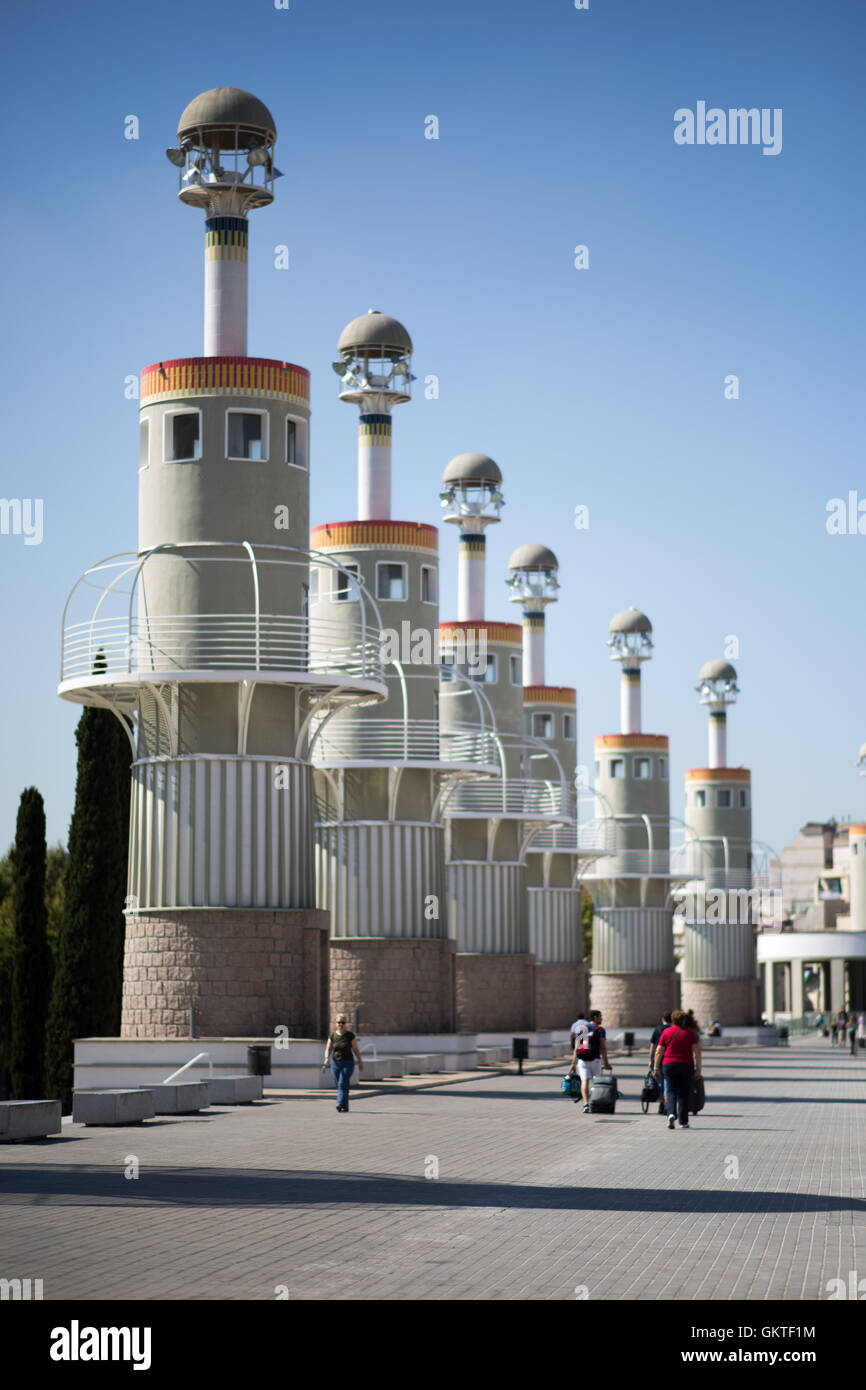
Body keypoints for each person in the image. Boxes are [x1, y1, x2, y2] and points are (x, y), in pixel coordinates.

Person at [653, 1008, 702, 1130]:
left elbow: (658, 1051)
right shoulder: (690, 1033)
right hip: (686, 1065)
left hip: (669, 1065)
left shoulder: (667, 1032)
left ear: (673, 1020)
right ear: (683, 1021)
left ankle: (671, 1114)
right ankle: (683, 1121)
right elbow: (697, 1052)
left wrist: (656, 1067)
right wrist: (698, 1069)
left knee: (670, 1090)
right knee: (684, 1093)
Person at [571, 1008, 611, 1113]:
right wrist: (606, 1063)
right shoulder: (600, 1030)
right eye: (600, 1017)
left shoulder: (581, 1028)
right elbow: (603, 1047)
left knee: (584, 1081)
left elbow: (577, 1047)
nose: (601, 1019)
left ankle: (585, 1104)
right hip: (596, 1060)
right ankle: (594, 1102)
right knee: (596, 1083)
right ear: (595, 1017)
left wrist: (573, 1063)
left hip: (582, 1060)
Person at [323, 1013, 363, 1112]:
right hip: (335, 1063)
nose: (341, 1024)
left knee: (342, 1083)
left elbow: (356, 1050)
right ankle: (345, 1107)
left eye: (343, 1022)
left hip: (348, 1063)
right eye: (339, 1022)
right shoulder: (332, 1035)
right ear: (336, 1023)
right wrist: (326, 1058)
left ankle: (340, 1103)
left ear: (345, 1024)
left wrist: (360, 1062)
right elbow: (328, 1048)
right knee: (341, 1084)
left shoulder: (350, 1035)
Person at [648, 1012, 672, 1115]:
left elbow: (652, 1047)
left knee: (659, 1083)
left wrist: (650, 1060)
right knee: (667, 1084)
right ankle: (667, 1105)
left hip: (658, 1060)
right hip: (669, 1060)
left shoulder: (657, 1029)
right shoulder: (672, 1030)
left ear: (663, 1019)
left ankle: (662, 1102)